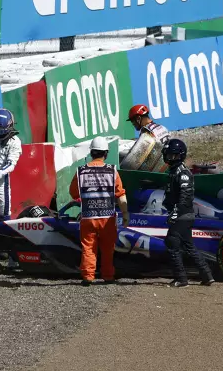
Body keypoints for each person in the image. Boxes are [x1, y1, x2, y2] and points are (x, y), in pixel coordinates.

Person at [68, 136, 130, 286]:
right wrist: (126, 214)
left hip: (88, 217)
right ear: (106, 153)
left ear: (91, 153)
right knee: (108, 249)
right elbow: (120, 196)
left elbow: (74, 193)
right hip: (107, 218)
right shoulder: (112, 171)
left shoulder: (80, 171)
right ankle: (108, 276)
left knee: (88, 248)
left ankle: (88, 276)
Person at [162, 138, 215, 288]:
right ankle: (207, 276)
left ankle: (181, 279)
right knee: (190, 247)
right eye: (168, 155)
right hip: (183, 215)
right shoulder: (173, 171)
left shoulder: (183, 173)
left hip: (183, 215)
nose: (168, 158)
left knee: (172, 243)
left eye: (172, 155)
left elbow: (185, 196)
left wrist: (175, 213)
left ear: (179, 155)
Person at [121, 104, 171, 172]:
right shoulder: (161, 127)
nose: (132, 124)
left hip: (158, 168)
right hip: (169, 163)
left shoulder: (146, 132)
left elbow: (140, 154)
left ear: (138, 118)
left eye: (132, 120)